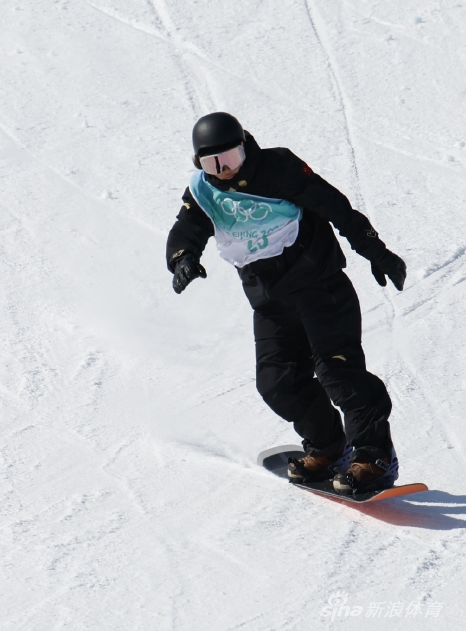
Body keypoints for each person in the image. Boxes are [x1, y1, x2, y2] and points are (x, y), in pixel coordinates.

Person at [166, 112, 406, 494]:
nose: (224, 170)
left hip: (320, 288)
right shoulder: (204, 192)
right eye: (213, 164)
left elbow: (335, 207)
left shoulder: (278, 168)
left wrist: (376, 251)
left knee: (339, 374)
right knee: (277, 383)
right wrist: (182, 258)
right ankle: (328, 447)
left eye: (231, 158)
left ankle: (374, 457)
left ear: (245, 148)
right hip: (270, 303)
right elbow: (187, 228)